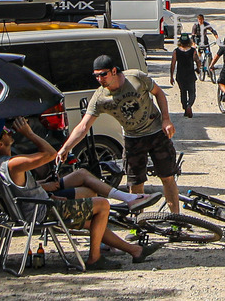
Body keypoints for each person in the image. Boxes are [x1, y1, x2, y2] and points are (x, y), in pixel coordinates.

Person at [0, 117, 161, 268]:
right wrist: (29, 133)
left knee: (90, 211)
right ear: (0, 144)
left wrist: (44, 189)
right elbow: (50, 154)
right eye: (4, 132)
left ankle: (135, 250)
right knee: (102, 205)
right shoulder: (12, 164)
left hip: (36, 205)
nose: (8, 131)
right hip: (42, 210)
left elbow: (20, 189)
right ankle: (94, 258)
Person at [57, 55, 182, 213]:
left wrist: (166, 119)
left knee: (167, 177)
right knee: (135, 183)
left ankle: (176, 219)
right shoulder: (100, 97)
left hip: (156, 132)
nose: (100, 79)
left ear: (114, 71)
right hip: (133, 139)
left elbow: (159, 93)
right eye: (96, 76)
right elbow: (83, 126)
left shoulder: (136, 78)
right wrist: (65, 148)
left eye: (103, 74)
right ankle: (138, 221)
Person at [169, 33, 200, 118]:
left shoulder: (176, 51)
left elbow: (173, 64)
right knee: (192, 93)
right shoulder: (193, 51)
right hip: (190, 75)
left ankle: (185, 108)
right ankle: (189, 105)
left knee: (183, 92)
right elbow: (197, 61)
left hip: (180, 75)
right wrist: (198, 68)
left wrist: (171, 76)